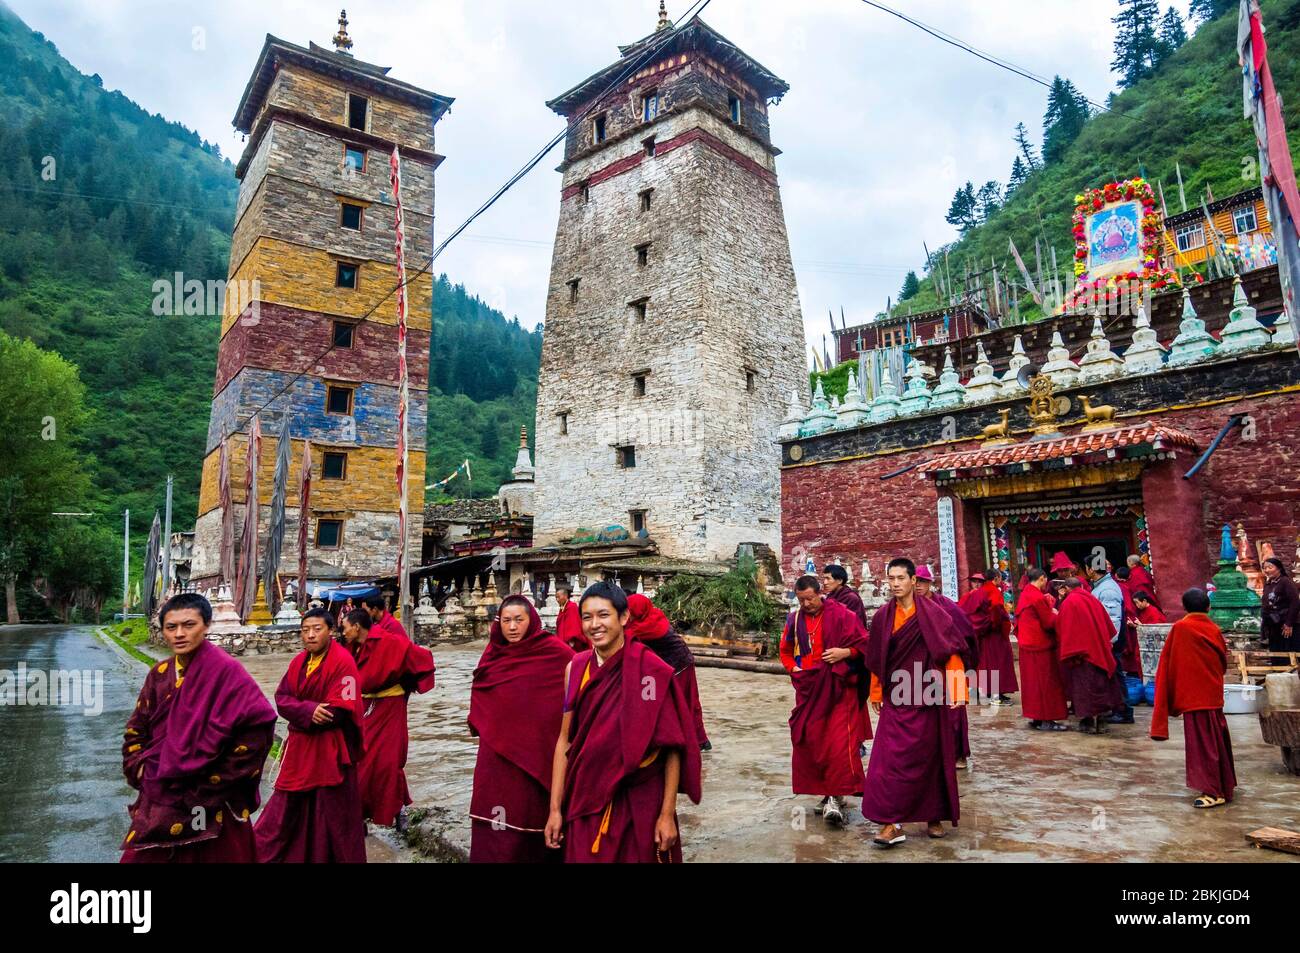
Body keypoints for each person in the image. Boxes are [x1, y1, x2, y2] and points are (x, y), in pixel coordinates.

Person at [543, 582, 702, 863]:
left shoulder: (651, 670)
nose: (595, 625)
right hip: (585, 795)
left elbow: (672, 747)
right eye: (587, 617)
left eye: (604, 615)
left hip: (640, 799)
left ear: (624, 618)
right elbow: (564, 741)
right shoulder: (575, 668)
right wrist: (555, 809)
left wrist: (666, 814)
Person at [120, 593, 277, 863]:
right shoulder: (159, 674)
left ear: (206, 626)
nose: (179, 634)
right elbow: (137, 729)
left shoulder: (227, 673)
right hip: (160, 790)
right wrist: (142, 770)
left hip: (212, 797)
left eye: (189, 625)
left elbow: (257, 729)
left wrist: (212, 784)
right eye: (171, 627)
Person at [861, 558, 971, 847]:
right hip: (896, 698)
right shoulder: (884, 616)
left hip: (929, 697)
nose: (895, 583)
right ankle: (891, 822)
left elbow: (951, 653)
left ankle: (933, 815)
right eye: (891, 578)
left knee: (931, 758)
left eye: (900, 578)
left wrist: (958, 690)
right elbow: (877, 658)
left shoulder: (934, 614)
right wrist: (875, 691)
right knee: (890, 761)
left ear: (913, 581)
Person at [255, 608, 367, 863]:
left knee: (332, 812)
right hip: (300, 747)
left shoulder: (343, 662)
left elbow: (339, 709)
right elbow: (281, 698)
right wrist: (308, 710)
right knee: (286, 806)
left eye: (317, 629)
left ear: (331, 631)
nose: (310, 635)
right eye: (305, 630)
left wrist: (307, 711)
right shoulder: (298, 662)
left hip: (329, 748)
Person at [467, 594, 573, 862]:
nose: (512, 627)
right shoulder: (493, 654)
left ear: (532, 621)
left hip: (538, 755)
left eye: (519, 620)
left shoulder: (554, 652)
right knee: (495, 828)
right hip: (496, 756)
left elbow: (579, 684)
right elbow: (481, 693)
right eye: (506, 621)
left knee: (534, 819)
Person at [779, 575, 870, 826]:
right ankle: (827, 791)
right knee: (812, 741)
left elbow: (865, 645)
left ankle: (835, 795)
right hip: (809, 688)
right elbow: (785, 651)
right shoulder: (794, 619)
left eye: (810, 598)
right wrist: (793, 670)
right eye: (801, 600)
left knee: (839, 745)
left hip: (839, 689)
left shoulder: (842, 614)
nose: (806, 604)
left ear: (820, 593)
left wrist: (845, 652)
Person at [339, 607, 435, 829]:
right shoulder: (351, 648)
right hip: (364, 706)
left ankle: (398, 810)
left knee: (388, 762)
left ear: (356, 626)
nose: (342, 632)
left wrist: (408, 686)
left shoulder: (390, 641)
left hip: (390, 706)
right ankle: (359, 814)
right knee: (359, 760)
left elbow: (423, 659)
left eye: (345, 628)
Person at [1150, 588, 1237, 809]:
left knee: (1203, 745)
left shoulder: (1181, 628)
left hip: (1195, 695)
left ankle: (1213, 791)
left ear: (1185, 608)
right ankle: (1224, 785)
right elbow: (1222, 662)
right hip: (1212, 692)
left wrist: (1169, 694)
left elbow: (1168, 661)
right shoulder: (1214, 628)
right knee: (1216, 740)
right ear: (1208, 607)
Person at [625, 593, 711, 751]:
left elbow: (626, 638)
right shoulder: (654, 615)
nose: (628, 615)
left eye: (630, 611)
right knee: (688, 702)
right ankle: (698, 739)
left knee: (680, 703)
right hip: (682, 661)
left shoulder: (644, 627)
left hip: (679, 665)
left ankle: (693, 740)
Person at [916, 565, 978, 768]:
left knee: (953, 711)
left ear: (930, 583)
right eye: (915, 582)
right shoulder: (908, 607)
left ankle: (958, 754)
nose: (918, 586)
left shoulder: (945, 605)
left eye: (922, 582)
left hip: (947, 664)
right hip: (921, 668)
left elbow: (966, 633)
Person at [1055, 578, 1125, 734]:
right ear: (1080, 586)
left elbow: (1062, 627)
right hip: (1099, 649)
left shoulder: (1069, 603)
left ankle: (1088, 722)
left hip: (1081, 653)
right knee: (1102, 684)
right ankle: (1102, 721)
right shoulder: (1092, 599)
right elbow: (1107, 623)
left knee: (1085, 688)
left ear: (1066, 588)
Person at [1015, 567, 1068, 731]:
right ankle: (1047, 720)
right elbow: (1048, 622)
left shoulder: (1025, 594)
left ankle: (1037, 717)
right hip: (1040, 646)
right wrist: (1058, 614)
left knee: (1032, 683)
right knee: (1046, 682)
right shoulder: (1037, 597)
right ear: (1043, 578)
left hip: (1027, 645)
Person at [959, 570, 1017, 703]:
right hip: (992, 633)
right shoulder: (992, 591)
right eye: (974, 581)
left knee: (986, 663)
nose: (977, 584)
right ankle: (995, 693)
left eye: (979, 581)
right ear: (996, 578)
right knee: (996, 663)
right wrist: (995, 624)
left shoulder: (980, 592)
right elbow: (996, 607)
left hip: (983, 632)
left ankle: (987, 691)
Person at [1086, 561, 1133, 724]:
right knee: (1111, 675)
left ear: (1091, 569)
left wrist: (1109, 641)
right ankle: (1117, 708)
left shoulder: (1107, 589)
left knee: (1116, 675)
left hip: (1110, 641)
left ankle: (1124, 711)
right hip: (1105, 640)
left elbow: (1113, 618)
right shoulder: (1101, 586)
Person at [1261, 557, 1299, 652]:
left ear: (1279, 568)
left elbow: (1295, 602)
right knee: (1275, 652)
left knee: (1287, 653)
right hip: (1274, 624)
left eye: (1270, 567)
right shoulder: (1269, 584)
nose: (1267, 570)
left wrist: (1289, 623)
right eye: (1265, 568)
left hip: (1286, 624)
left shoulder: (1285, 582)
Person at [822, 563, 868, 627]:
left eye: (828, 579)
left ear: (840, 581)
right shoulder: (831, 596)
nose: (825, 582)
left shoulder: (851, 598)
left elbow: (854, 624)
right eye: (824, 579)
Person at [554, 584, 589, 651]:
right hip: (563, 641)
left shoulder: (572, 606)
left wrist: (571, 639)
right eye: (556, 598)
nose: (557, 600)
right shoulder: (562, 608)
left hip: (572, 641)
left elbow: (575, 624)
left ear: (565, 596)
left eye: (558, 597)